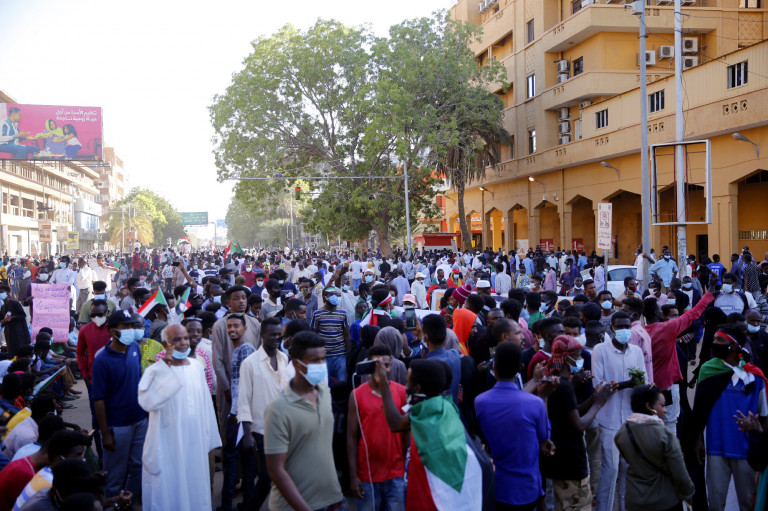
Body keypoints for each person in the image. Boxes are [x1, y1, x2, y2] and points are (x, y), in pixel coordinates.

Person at [371, 357, 493, 509]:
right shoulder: (443, 404)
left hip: (432, 497)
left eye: (408, 382)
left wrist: (383, 383)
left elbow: (395, 424)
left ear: (417, 388)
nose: (405, 386)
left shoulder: (428, 413)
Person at [137, 324, 221, 511]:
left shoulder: (196, 367)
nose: (184, 343)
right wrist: (164, 369)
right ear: (166, 343)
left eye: (185, 338)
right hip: (168, 441)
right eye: (177, 339)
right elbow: (147, 403)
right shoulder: (155, 370)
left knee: (195, 484)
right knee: (170, 486)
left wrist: (208, 437)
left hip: (195, 441)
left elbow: (206, 405)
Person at [264, 331, 345, 511]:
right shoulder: (278, 409)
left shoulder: (324, 392)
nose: (322, 365)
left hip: (333, 499)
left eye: (323, 359)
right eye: (315, 360)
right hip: (296, 505)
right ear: (296, 364)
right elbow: (276, 470)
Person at [691, 324, 767, 511]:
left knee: (747, 502)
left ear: (733, 346)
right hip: (715, 447)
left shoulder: (755, 375)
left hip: (746, 449)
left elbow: (764, 415)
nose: (714, 343)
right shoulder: (707, 370)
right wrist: (698, 439)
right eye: (714, 338)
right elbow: (699, 412)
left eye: (719, 340)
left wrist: (762, 446)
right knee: (715, 502)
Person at [476, 341, 554, 510]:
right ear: (520, 368)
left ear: (494, 368)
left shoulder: (480, 402)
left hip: (497, 486)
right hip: (527, 487)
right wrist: (545, 398)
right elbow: (544, 437)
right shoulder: (535, 403)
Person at [592, 311, 646, 511]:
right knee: (611, 468)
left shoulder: (636, 352)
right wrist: (627, 384)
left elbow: (643, 382)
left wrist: (640, 386)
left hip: (631, 420)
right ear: (612, 328)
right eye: (619, 327)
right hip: (609, 419)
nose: (623, 331)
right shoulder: (600, 350)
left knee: (627, 470)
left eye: (626, 327)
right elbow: (599, 386)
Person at [91, 309, 148, 499]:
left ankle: (128, 501)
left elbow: (138, 380)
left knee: (139, 466)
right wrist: (105, 433)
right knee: (115, 473)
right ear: (113, 331)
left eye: (132, 326)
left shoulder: (134, 348)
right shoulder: (101, 359)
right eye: (126, 327)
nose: (131, 331)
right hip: (117, 425)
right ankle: (112, 502)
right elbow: (98, 399)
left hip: (139, 420)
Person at [238, 317, 290, 511]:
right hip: (261, 429)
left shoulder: (284, 358)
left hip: (284, 427)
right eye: (273, 335)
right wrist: (247, 434)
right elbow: (243, 400)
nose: (277, 338)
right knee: (268, 477)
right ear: (262, 336)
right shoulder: (250, 364)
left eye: (280, 334)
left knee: (281, 474)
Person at [614, 385, 694, 511]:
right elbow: (680, 473)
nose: (665, 410)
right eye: (662, 405)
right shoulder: (665, 434)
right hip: (664, 501)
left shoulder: (622, 432)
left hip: (634, 501)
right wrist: (688, 494)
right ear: (649, 406)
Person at [347, 345, 407, 511]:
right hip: (367, 474)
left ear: (391, 366)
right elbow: (351, 436)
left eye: (386, 365)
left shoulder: (402, 392)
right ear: (368, 366)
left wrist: (407, 470)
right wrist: (353, 476)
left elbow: (406, 433)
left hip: (396, 473)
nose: (382, 369)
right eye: (376, 365)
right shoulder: (356, 395)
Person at [11, 429, 90, 510]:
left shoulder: (46, 471)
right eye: (78, 455)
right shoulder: (51, 483)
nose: (82, 459)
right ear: (58, 459)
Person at [311, 286, 350, 384]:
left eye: (336, 294)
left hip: (340, 355)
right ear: (325, 297)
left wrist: (349, 353)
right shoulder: (317, 314)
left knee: (341, 383)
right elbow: (313, 334)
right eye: (331, 294)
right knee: (325, 383)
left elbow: (347, 335)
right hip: (323, 355)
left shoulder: (343, 313)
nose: (335, 297)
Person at [0, 284, 30, 357]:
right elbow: (1, 320)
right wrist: (4, 320)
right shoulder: (3, 307)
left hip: (19, 331)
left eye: (1, 292)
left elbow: (23, 315)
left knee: (21, 351)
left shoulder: (15, 303)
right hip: (9, 333)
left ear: (7, 293)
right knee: (12, 351)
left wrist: (13, 317)